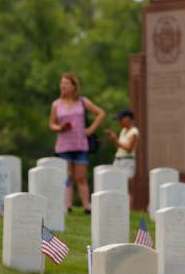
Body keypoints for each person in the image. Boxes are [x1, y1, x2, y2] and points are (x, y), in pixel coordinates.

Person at [49, 73, 105, 214]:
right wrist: (60, 128)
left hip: (80, 144)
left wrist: (90, 129)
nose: (63, 86)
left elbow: (100, 113)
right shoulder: (56, 104)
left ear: (74, 86)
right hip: (63, 145)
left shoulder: (82, 101)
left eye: (66, 83)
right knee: (67, 177)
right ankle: (67, 206)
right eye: (62, 83)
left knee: (81, 177)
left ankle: (87, 206)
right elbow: (51, 124)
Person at [105, 109, 139, 204]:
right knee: (116, 185)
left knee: (126, 186)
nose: (119, 122)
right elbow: (119, 147)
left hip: (127, 162)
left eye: (121, 119)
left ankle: (128, 208)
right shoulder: (123, 131)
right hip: (118, 160)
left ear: (128, 119)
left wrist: (115, 139)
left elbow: (129, 149)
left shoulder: (134, 132)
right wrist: (113, 139)